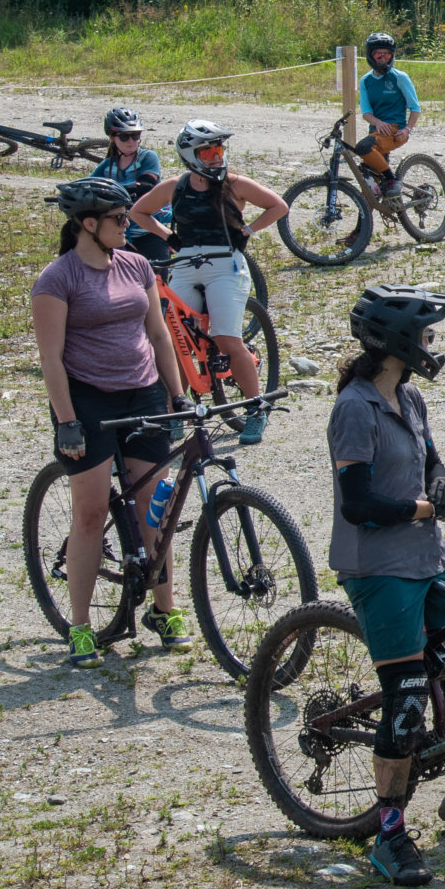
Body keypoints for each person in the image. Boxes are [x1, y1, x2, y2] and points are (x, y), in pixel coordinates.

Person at [329, 283, 445, 887]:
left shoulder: (409, 397)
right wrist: (422, 511)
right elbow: (357, 502)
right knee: (407, 699)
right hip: (380, 566)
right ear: (398, 340)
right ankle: (388, 834)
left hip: (431, 558)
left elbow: (431, 461)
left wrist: (443, 488)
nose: (433, 346)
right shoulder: (355, 408)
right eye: (428, 336)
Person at [30, 178, 191, 669]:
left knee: (155, 507)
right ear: (87, 225)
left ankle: (164, 611)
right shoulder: (57, 279)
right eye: (119, 220)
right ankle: (80, 626)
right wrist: (67, 422)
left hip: (142, 391)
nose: (127, 225)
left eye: (127, 218)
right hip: (88, 400)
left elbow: (160, 337)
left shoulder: (138, 265)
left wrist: (178, 395)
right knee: (90, 512)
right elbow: (51, 358)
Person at [128, 120, 287, 443]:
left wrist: (248, 230)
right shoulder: (177, 186)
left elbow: (278, 206)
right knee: (176, 340)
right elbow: (138, 212)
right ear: (191, 155)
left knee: (227, 339)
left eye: (219, 150)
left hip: (225, 266)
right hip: (186, 264)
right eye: (209, 151)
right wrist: (167, 236)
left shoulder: (234, 184)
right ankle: (178, 409)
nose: (217, 157)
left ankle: (255, 409)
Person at [91, 106, 169, 263]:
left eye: (135, 135)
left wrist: (113, 193)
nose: (131, 141)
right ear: (112, 137)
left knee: (157, 281)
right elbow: (88, 185)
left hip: (149, 230)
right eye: (125, 137)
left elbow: (147, 185)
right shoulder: (108, 165)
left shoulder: (148, 157)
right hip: (120, 233)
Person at [355, 33, 422, 196]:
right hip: (376, 132)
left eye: (387, 54)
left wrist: (407, 130)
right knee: (369, 188)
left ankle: (392, 180)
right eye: (379, 54)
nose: (383, 58)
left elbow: (415, 108)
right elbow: (366, 112)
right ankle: (366, 219)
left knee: (362, 147)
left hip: (395, 130)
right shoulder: (365, 81)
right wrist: (377, 122)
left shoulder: (399, 77)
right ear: (371, 55)